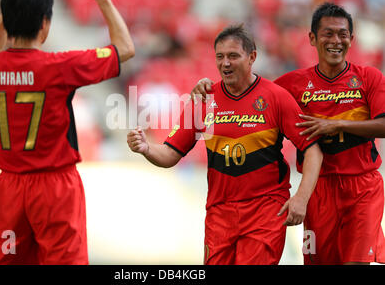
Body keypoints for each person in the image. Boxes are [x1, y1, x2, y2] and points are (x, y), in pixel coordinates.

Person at [190, 3, 385, 265]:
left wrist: (337, 125)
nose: (336, 41)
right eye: (328, 34)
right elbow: (250, 94)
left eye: (342, 34)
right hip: (317, 190)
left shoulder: (369, 77)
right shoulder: (290, 84)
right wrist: (209, 86)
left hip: (362, 186)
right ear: (312, 39)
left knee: (357, 261)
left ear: (352, 38)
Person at [0, 0, 134, 265]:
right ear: (45, 25)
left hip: (10, 188)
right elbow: (125, 48)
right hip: (54, 188)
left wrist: (11, 4)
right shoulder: (60, 66)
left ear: (7, 24)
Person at [127, 24, 323, 265]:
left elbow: (312, 149)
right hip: (219, 213)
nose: (225, 63)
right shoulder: (203, 99)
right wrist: (146, 148)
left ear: (252, 57)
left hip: (265, 210)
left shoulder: (275, 97)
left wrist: (301, 198)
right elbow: (170, 153)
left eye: (233, 56)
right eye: (220, 57)